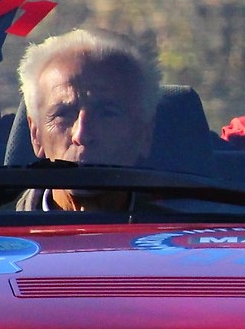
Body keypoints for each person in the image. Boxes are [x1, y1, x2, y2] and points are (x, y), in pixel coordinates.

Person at [13, 28, 156, 210]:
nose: (81, 134)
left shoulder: (186, 232)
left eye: (107, 113)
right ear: (35, 135)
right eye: (63, 114)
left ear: (145, 134)